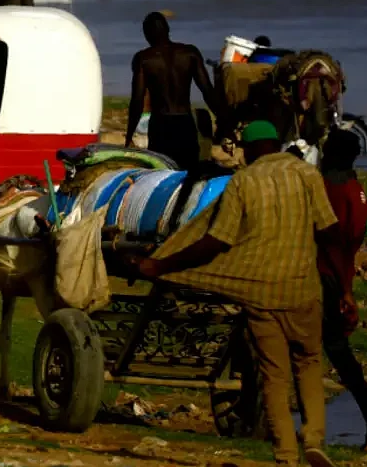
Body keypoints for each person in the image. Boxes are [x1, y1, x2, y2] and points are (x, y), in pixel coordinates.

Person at [134, 121, 349, 467]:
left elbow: (215, 242)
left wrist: (161, 265)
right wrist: (345, 288)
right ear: (278, 142)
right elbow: (330, 233)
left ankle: (285, 456)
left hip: (261, 295)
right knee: (308, 363)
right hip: (303, 291)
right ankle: (313, 439)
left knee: (274, 376)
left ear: (247, 150)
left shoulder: (244, 181)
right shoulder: (308, 175)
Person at [319, 129, 367, 452]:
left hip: (326, 280)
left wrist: (344, 291)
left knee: (335, 352)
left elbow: (336, 245)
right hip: (336, 279)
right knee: (338, 354)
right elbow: (352, 242)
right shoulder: (355, 192)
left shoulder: (330, 189)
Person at [125, 12, 225, 171]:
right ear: (168, 29)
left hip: (161, 125)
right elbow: (207, 91)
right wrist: (225, 122)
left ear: (146, 34)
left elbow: (137, 100)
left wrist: (129, 135)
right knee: (188, 172)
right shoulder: (190, 53)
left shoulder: (144, 59)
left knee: (162, 173)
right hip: (185, 123)